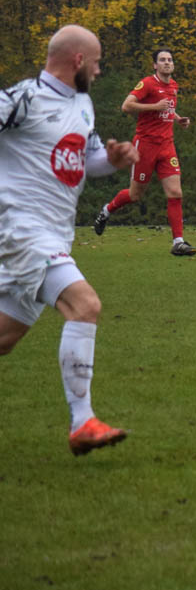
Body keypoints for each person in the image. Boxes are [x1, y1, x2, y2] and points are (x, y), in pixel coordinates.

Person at [1, 25, 138, 456]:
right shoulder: (23, 99)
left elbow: (85, 159)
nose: (98, 71)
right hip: (21, 230)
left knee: (5, 337)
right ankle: (83, 422)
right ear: (78, 60)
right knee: (85, 305)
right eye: (96, 63)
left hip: (54, 232)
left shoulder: (82, 103)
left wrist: (112, 160)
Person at [93, 48, 196, 256]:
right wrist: (155, 106)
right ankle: (107, 210)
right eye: (162, 60)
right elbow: (126, 106)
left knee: (175, 192)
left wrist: (178, 119)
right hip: (145, 146)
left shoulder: (173, 85)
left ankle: (178, 242)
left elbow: (167, 108)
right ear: (155, 65)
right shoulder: (148, 83)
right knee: (135, 195)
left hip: (167, 146)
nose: (167, 63)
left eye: (170, 60)